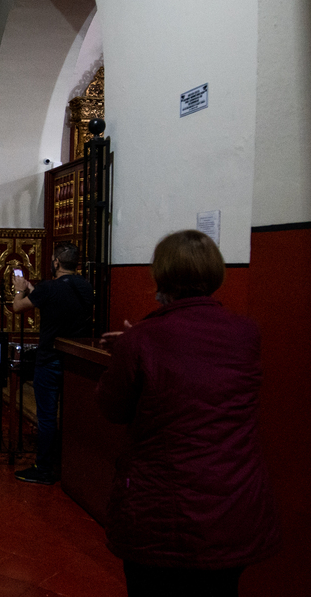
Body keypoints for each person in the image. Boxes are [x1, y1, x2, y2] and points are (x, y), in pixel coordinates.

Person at [95, 230, 279, 596]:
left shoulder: (142, 339)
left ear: (161, 275)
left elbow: (112, 408)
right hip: (232, 505)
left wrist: (128, 351)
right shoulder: (246, 333)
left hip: (162, 511)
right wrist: (140, 342)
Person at [11, 241, 93, 484]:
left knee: (47, 416)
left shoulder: (49, 288)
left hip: (49, 358)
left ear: (56, 262)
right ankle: (71, 463)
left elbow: (18, 307)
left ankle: (44, 467)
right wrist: (32, 288)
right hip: (76, 358)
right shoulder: (86, 287)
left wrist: (19, 288)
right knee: (72, 412)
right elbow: (54, 297)